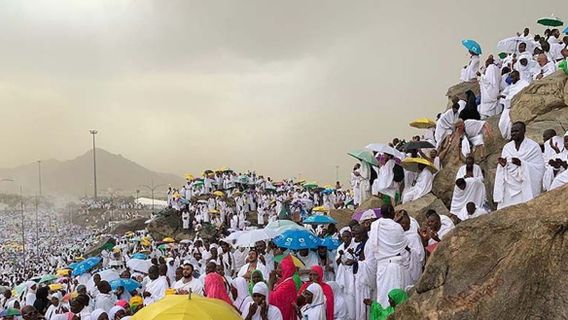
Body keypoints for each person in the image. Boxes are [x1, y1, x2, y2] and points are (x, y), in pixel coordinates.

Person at [494, 122, 544, 209]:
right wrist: (503, 164)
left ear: (524, 131)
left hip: (526, 183)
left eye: (516, 131)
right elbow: (505, 165)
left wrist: (522, 164)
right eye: (512, 131)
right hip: (509, 184)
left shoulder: (533, 146)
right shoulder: (507, 147)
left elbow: (539, 168)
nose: (513, 134)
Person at [368, 206, 410, 307]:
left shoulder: (374, 225)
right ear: (392, 212)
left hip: (382, 266)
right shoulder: (396, 227)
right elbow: (404, 243)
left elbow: (373, 245)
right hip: (394, 265)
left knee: (383, 297)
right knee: (395, 298)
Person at [396, 210, 424, 286]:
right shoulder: (399, 236)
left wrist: (408, 249)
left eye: (403, 223)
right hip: (400, 267)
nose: (401, 225)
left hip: (410, 268)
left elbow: (419, 254)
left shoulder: (414, 236)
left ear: (408, 224)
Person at [499, 71, 530, 139]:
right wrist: (503, 96)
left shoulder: (524, 84)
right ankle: (506, 136)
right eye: (511, 77)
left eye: (513, 77)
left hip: (517, 106)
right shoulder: (512, 85)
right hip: (508, 106)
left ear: (518, 76)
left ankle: (511, 137)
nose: (512, 79)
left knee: (511, 123)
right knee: (502, 123)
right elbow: (508, 94)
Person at [269, 255, 297, 320]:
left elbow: (271, 299)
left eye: (279, 267)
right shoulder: (285, 282)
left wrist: (271, 283)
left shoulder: (288, 285)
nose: (276, 270)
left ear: (285, 269)